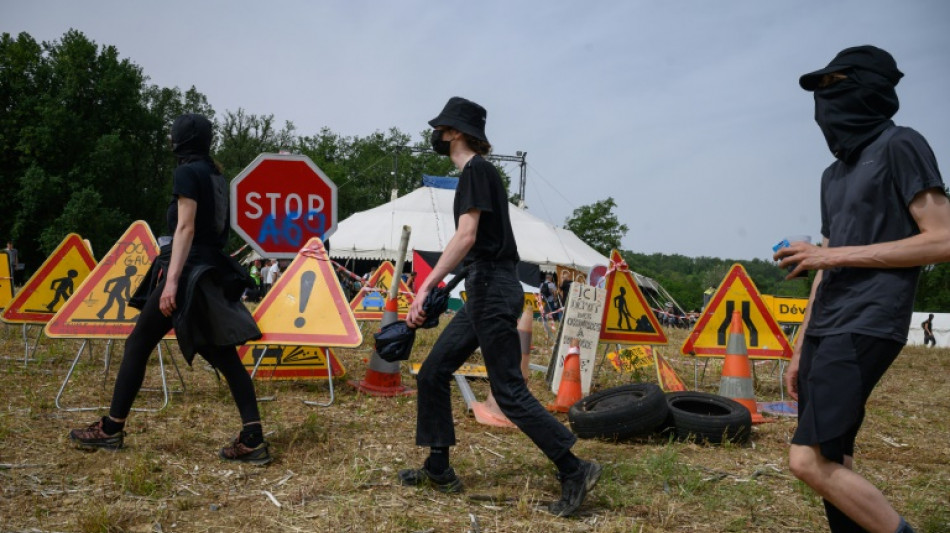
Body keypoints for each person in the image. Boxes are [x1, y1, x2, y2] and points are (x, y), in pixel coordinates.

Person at [775, 45, 950, 533]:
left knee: (807, 461)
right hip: (826, 324)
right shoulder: (832, 174)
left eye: (837, 86)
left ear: (872, 89)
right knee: (833, 461)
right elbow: (827, 256)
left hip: (870, 319)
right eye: (821, 91)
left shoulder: (901, 145)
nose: (826, 101)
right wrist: (799, 345)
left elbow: (942, 238)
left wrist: (828, 255)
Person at [401, 97, 600, 517]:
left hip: (492, 288)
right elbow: (479, 247)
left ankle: (574, 468)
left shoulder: (476, 170)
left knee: (508, 391)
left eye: (441, 128)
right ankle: (438, 466)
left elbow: (467, 235)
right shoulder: (480, 174)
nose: (436, 134)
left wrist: (425, 286)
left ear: (454, 133)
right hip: (485, 286)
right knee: (434, 371)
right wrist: (447, 285)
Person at [68, 113, 272, 465]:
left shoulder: (186, 173)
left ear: (180, 140)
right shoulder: (216, 176)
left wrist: (172, 281)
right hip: (208, 270)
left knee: (138, 343)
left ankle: (111, 429)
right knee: (222, 355)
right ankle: (252, 437)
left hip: (188, 271)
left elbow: (185, 229)